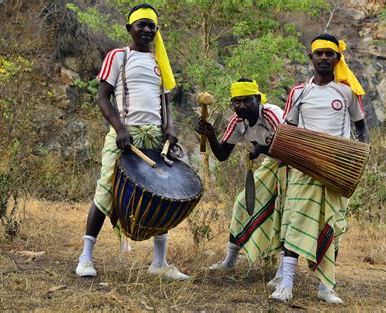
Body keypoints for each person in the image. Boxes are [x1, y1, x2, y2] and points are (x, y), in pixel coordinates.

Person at [75, 3, 188, 281]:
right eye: (142, 25)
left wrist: (170, 130)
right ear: (130, 29)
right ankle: (85, 257)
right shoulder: (119, 56)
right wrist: (119, 128)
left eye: (152, 26)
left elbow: (165, 102)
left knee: (162, 192)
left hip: (155, 137)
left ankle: (159, 263)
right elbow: (102, 97)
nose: (147, 30)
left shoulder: (159, 62)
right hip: (125, 134)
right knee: (105, 190)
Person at [268, 34, 370, 303]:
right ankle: (286, 284)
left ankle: (326, 288)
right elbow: (287, 128)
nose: (324, 57)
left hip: (337, 170)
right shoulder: (299, 92)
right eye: (319, 53)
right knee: (295, 223)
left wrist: (360, 156)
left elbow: (361, 127)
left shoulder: (347, 92)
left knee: (332, 227)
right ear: (310, 58)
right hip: (304, 170)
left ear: (338, 58)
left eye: (329, 53)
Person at [196, 78, 288, 281]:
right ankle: (230, 261)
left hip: (292, 165)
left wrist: (262, 149)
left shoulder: (272, 114)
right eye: (236, 101)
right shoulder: (237, 121)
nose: (241, 106)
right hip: (273, 164)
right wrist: (210, 135)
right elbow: (222, 155)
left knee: (285, 213)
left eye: (247, 101)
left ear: (257, 99)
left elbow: (290, 144)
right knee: (241, 204)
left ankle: (284, 272)